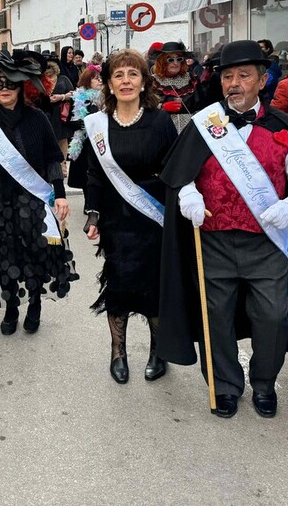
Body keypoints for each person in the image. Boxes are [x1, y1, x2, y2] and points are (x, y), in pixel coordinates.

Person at [158, 39, 288, 419]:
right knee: (215, 318)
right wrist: (190, 198)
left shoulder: (282, 127)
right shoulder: (206, 125)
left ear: (262, 80)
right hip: (213, 242)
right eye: (228, 76)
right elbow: (181, 176)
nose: (234, 83)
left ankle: (264, 383)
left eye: (243, 76)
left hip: (267, 245)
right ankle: (226, 386)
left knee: (273, 316)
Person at [0, 50, 77, 334]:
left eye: (11, 84)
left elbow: (53, 158)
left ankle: (35, 303)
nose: (4, 89)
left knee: (34, 255)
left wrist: (60, 193)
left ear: (22, 86)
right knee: (3, 257)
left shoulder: (37, 119)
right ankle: (12, 307)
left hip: (31, 201)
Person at [83, 49, 177, 384]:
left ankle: (157, 351)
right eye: (118, 75)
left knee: (154, 287)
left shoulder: (160, 121)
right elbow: (94, 173)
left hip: (154, 217)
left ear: (143, 81)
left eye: (132, 74)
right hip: (116, 219)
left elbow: (174, 170)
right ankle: (118, 352)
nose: (126, 81)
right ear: (108, 84)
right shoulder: (99, 125)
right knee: (120, 284)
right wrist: (93, 214)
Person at [66, 67, 102, 191]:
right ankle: (88, 203)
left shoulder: (105, 97)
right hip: (84, 141)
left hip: (100, 139)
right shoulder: (79, 97)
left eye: (101, 78)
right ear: (88, 80)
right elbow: (70, 120)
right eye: (96, 78)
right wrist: (83, 123)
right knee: (85, 176)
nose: (100, 81)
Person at [151, 41, 200, 134]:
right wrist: (162, 107)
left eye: (179, 59)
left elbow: (202, 103)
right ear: (162, 61)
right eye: (170, 60)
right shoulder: (153, 82)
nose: (176, 63)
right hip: (164, 130)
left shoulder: (191, 78)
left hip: (189, 131)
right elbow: (144, 107)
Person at [44, 58, 75, 170]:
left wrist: (61, 97)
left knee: (62, 139)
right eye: (45, 68)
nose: (47, 71)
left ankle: (63, 165)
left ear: (54, 68)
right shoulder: (42, 81)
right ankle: (54, 165)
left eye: (49, 68)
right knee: (50, 140)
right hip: (48, 113)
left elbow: (73, 93)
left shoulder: (63, 79)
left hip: (62, 114)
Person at [257, 39, 282, 105]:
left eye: (261, 47)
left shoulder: (269, 69)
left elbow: (261, 88)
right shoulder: (268, 66)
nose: (259, 50)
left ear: (268, 49)